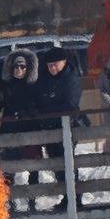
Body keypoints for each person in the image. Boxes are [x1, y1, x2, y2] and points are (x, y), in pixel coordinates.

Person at [0, 49, 41, 200]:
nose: (19, 70)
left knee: (33, 165)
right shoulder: (5, 85)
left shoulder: (34, 86)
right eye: (16, 66)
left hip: (29, 130)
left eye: (22, 67)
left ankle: (32, 200)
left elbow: (38, 106)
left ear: (28, 68)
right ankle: (9, 200)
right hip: (9, 129)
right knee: (7, 165)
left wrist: (28, 113)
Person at [33, 46, 82, 200]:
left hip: (67, 127)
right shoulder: (43, 79)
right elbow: (38, 101)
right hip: (49, 128)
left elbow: (70, 104)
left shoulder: (71, 78)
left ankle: (75, 198)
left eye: (55, 64)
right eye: (49, 65)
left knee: (69, 163)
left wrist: (46, 111)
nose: (52, 68)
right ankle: (66, 198)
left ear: (64, 62)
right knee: (56, 165)